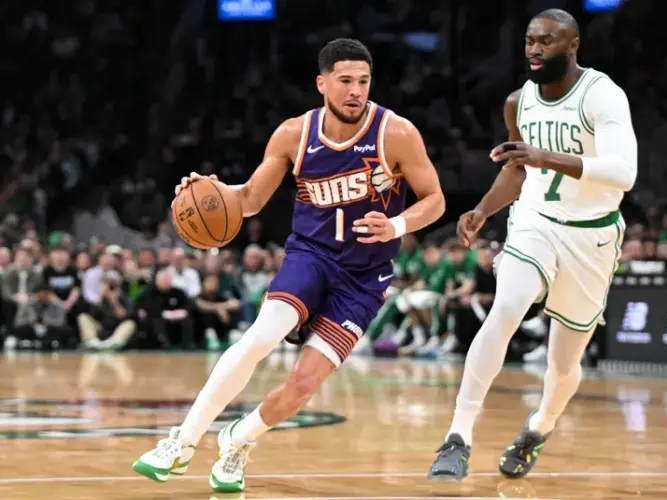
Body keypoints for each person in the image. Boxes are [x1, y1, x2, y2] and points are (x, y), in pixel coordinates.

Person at [132, 38, 445, 493]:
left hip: (363, 278)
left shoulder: (396, 133)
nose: (355, 91)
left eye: (363, 81)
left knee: (301, 386)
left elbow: (434, 200)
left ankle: (239, 439)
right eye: (345, 82)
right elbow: (252, 199)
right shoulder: (294, 134)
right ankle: (181, 441)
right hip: (311, 256)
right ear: (322, 84)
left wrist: (397, 224)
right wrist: (213, 189)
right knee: (261, 335)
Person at [427, 9, 636, 481]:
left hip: (592, 235)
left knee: (564, 365)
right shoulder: (517, 102)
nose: (536, 49)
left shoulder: (602, 95)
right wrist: (483, 209)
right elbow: (519, 167)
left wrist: (545, 156)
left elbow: (625, 173)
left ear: (573, 45)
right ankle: (458, 435)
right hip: (535, 221)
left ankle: (539, 426)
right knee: (507, 307)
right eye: (529, 41)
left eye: (548, 41)